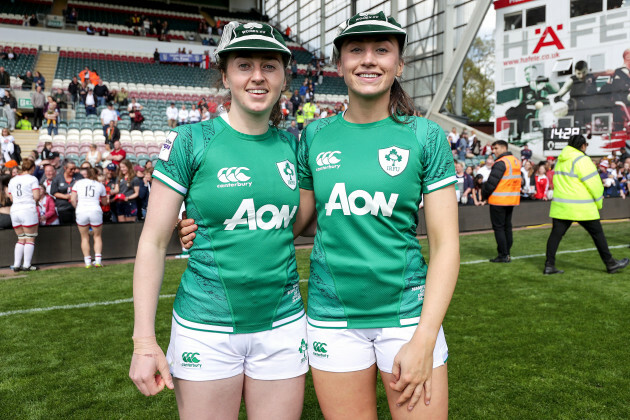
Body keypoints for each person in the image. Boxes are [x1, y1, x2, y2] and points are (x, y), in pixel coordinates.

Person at [179, 12, 459, 418]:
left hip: (409, 320)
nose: (368, 60)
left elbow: (447, 244)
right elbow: (292, 221)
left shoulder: (426, 136)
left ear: (399, 65)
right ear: (338, 63)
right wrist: (205, 223)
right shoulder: (314, 135)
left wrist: (425, 337)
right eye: (356, 50)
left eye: (382, 50)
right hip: (332, 320)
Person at [129, 22, 308, 420]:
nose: (257, 76)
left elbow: (304, 222)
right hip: (204, 328)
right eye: (244, 65)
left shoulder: (297, 147)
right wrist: (144, 342)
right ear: (224, 74)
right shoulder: (190, 140)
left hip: (284, 325)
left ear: (283, 76)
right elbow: (153, 242)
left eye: (269, 66)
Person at [544, 135, 629, 275]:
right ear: (583, 145)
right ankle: (610, 264)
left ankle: (549, 265)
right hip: (582, 206)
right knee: (598, 235)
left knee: (555, 235)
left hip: (561, 206)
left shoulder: (560, 160)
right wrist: (598, 202)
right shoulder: (582, 160)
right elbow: (594, 184)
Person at [482, 140, 522, 262]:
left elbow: (492, 183)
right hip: (511, 199)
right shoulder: (515, 161)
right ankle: (507, 252)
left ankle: (503, 255)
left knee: (499, 228)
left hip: (498, 200)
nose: (493, 151)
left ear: (504, 148)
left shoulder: (501, 163)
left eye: (496, 148)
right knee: (507, 227)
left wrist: (484, 195)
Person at [7, 159, 40, 271]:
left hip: (15, 209)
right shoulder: (32, 179)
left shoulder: (13, 180)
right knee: (30, 238)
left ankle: (16, 265)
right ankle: (26, 265)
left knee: (21, 238)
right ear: (32, 168)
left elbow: (10, 197)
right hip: (28, 209)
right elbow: (36, 196)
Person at [71, 166, 108, 267]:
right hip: (95, 210)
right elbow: (104, 202)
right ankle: (98, 261)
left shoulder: (78, 183)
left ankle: (87, 262)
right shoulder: (100, 185)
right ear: (96, 174)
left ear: (86, 174)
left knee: (84, 237)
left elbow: (73, 199)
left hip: (81, 210)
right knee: (97, 236)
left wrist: (77, 208)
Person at [51, 159, 82, 224]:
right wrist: (66, 196)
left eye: (74, 169)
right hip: (63, 207)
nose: (73, 171)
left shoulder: (79, 177)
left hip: (77, 207)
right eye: (71, 169)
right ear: (65, 168)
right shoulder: (57, 178)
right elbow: (54, 192)